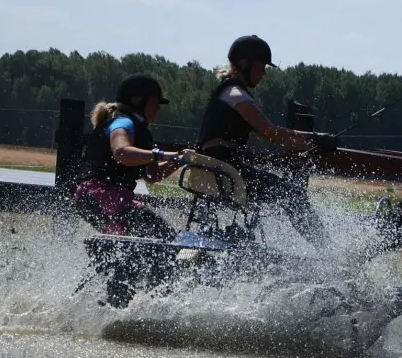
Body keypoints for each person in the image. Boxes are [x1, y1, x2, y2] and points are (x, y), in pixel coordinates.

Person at [196, 35, 337, 249]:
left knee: (286, 192)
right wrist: (314, 140)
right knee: (292, 194)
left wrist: (310, 142)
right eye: (261, 67)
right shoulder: (236, 95)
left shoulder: (228, 92)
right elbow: (272, 134)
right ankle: (328, 251)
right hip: (226, 171)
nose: (263, 73)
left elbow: (275, 135)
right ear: (245, 64)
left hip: (221, 169)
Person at [74, 73, 181, 240]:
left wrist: (179, 161)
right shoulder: (123, 122)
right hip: (98, 196)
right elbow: (121, 153)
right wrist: (161, 155)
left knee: (162, 238)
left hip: (111, 199)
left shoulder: (141, 131)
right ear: (138, 101)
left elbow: (152, 175)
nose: (158, 109)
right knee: (163, 239)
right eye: (155, 103)